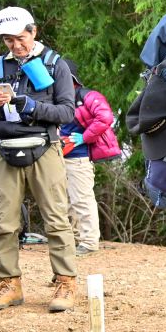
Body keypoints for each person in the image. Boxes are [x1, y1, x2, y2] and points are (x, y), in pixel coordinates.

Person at [0, 7, 78, 313]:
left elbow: (67, 113)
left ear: (34, 31)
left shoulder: (55, 65)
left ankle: (65, 281)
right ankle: (9, 283)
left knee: (56, 218)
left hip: (45, 146)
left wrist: (27, 105)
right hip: (2, 148)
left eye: (20, 37)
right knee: (3, 220)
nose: (15, 45)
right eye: (7, 40)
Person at [58, 58, 121, 256]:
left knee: (82, 200)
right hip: (59, 156)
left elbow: (106, 117)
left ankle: (90, 242)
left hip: (79, 157)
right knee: (65, 202)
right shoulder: (58, 98)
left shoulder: (88, 96)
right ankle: (74, 240)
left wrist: (84, 137)